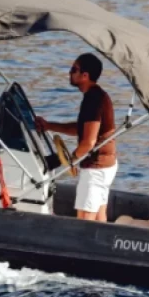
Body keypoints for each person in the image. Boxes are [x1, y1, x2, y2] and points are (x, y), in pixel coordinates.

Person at [36, 53, 118, 222]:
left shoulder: (93, 100)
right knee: (99, 217)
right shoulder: (95, 96)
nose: (69, 72)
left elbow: (88, 142)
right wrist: (49, 125)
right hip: (106, 164)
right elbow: (81, 129)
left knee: (85, 219)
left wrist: (71, 161)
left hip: (96, 168)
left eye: (74, 69)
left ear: (85, 75)